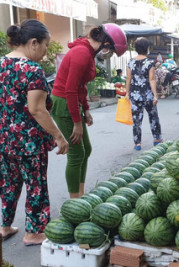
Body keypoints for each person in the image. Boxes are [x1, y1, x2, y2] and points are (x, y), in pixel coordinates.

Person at [0, 20, 69, 245]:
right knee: (36, 184)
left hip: (4, 138)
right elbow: (37, 109)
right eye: (46, 45)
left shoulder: (1, 64)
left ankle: (5, 226)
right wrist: (59, 136)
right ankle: (34, 232)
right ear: (33, 42)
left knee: (9, 183)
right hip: (29, 141)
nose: (46, 51)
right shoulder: (31, 69)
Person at [51, 24, 127, 199]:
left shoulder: (88, 52)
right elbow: (70, 90)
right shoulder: (82, 53)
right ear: (106, 42)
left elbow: (81, 86)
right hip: (64, 103)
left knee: (87, 149)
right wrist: (77, 123)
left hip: (72, 101)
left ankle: (81, 194)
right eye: (112, 51)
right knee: (76, 154)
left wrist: (86, 110)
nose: (109, 54)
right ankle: (74, 202)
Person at [126, 37, 162, 151]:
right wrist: (155, 95)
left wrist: (127, 93)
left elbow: (128, 78)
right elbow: (152, 80)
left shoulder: (131, 62)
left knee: (136, 119)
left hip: (135, 95)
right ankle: (157, 139)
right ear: (147, 48)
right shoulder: (149, 63)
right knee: (153, 117)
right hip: (148, 95)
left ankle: (137, 144)